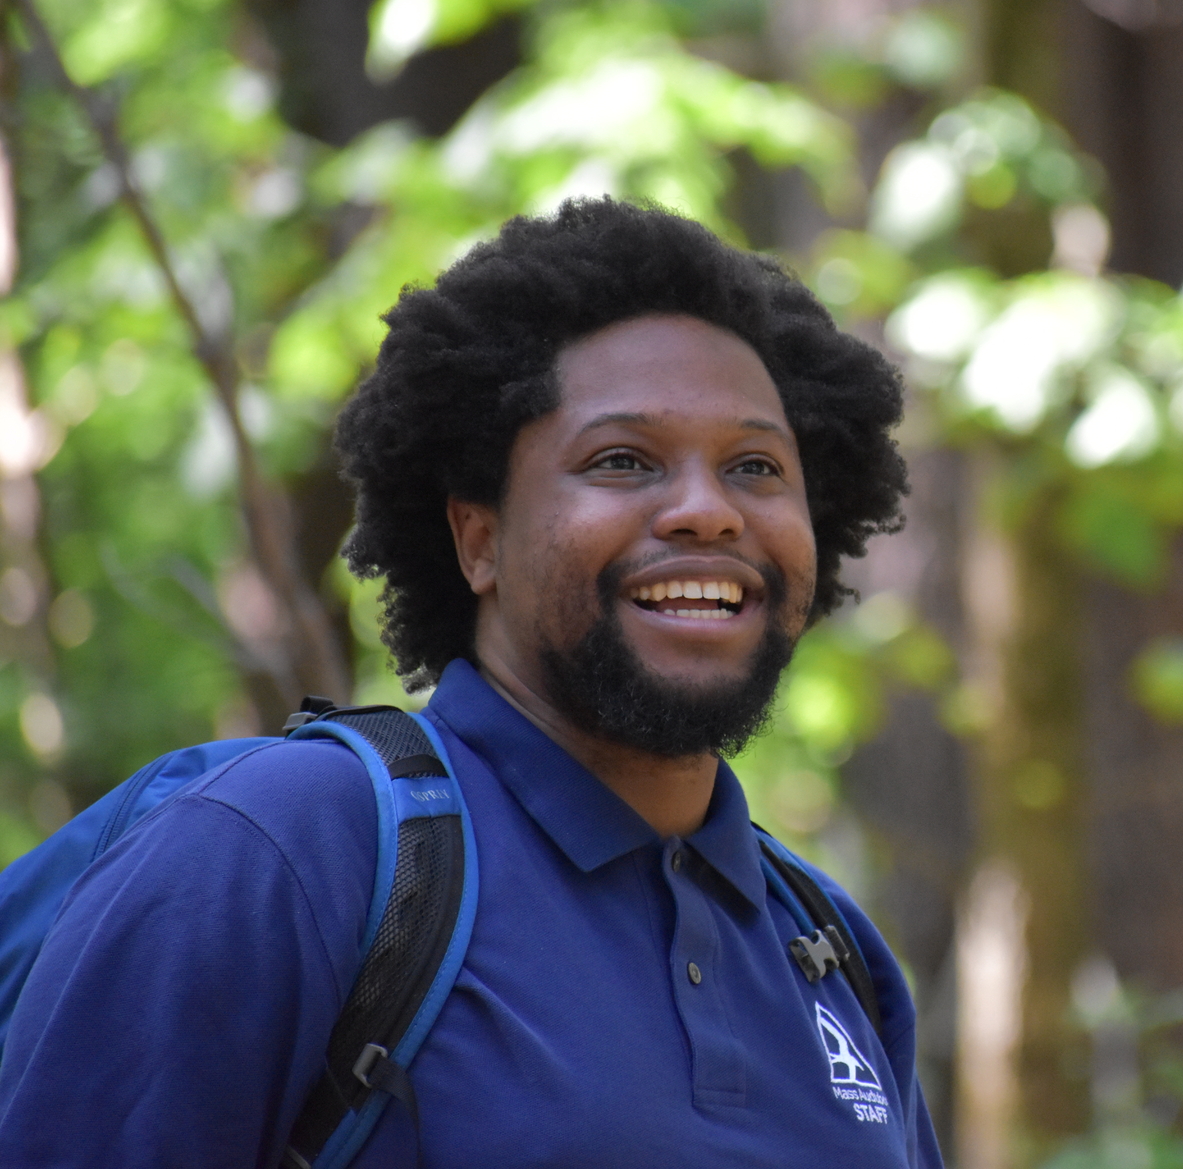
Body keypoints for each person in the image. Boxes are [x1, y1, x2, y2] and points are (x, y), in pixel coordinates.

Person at [0, 198, 940, 1167]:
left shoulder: (832, 952)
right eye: (623, 460)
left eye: (755, 465)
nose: (708, 510)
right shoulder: (282, 850)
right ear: (478, 537)